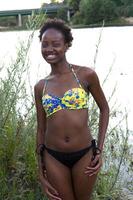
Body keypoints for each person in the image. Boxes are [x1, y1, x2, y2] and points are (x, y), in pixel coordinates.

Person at [34, 18, 109, 200]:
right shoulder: (41, 86)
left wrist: (99, 150)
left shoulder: (86, 75)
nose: (49, 49)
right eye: (45, 44)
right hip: (53, 157)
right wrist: (40, 168)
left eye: (56, 44)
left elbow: (104, 110)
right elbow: (41, 128)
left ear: (67, 45)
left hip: (84, 154)